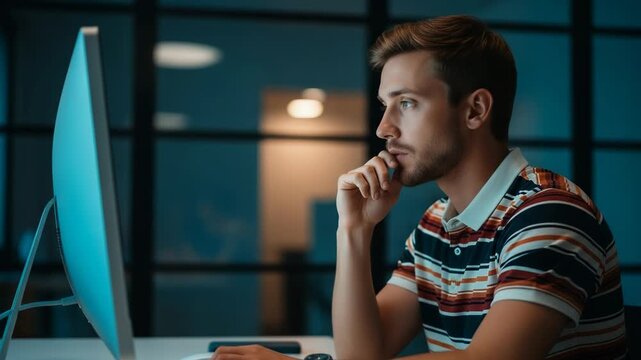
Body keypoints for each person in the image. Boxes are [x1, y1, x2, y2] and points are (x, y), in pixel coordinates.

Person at [332, 15, 628, 360]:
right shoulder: (435, 223)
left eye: (407, 103)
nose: (384, 128)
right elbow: (361, 354)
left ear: (475, 110)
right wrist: (354, 228)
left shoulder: (550, 212)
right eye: (386, 106)